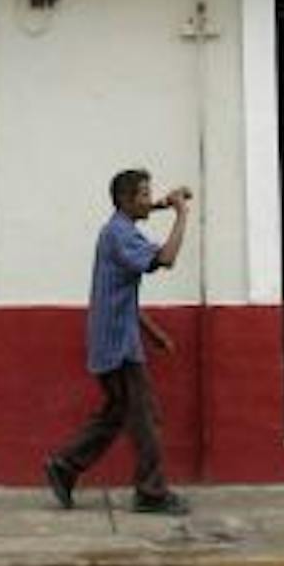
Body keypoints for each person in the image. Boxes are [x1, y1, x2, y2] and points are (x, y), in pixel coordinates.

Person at [43, 168, 192, 516]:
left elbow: (120, 295)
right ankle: (151, 492)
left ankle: (64, 466)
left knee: (116, 414)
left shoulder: (118, 231)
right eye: (143, 194)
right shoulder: (120, 234)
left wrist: (153, 333)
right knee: (146, 417)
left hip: (113, 340)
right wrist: (181, 214)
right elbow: (166, 258)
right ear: (125, 200)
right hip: (119, 347)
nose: (149, 200)